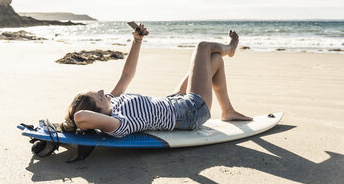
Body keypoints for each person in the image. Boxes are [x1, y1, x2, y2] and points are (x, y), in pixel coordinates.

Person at [60, 24, 252, 137]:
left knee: (214, 61)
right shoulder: (118, 123)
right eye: (99, 97)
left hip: (173, 101)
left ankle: (227, 111)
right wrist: (76, 121)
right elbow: (81, 117)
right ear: (100, 115)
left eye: (98, 92)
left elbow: (127, 75)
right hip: (190, 112)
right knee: (203, 47)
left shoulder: (113, 100)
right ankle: (231, 48)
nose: (103, 91)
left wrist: (137, 41)